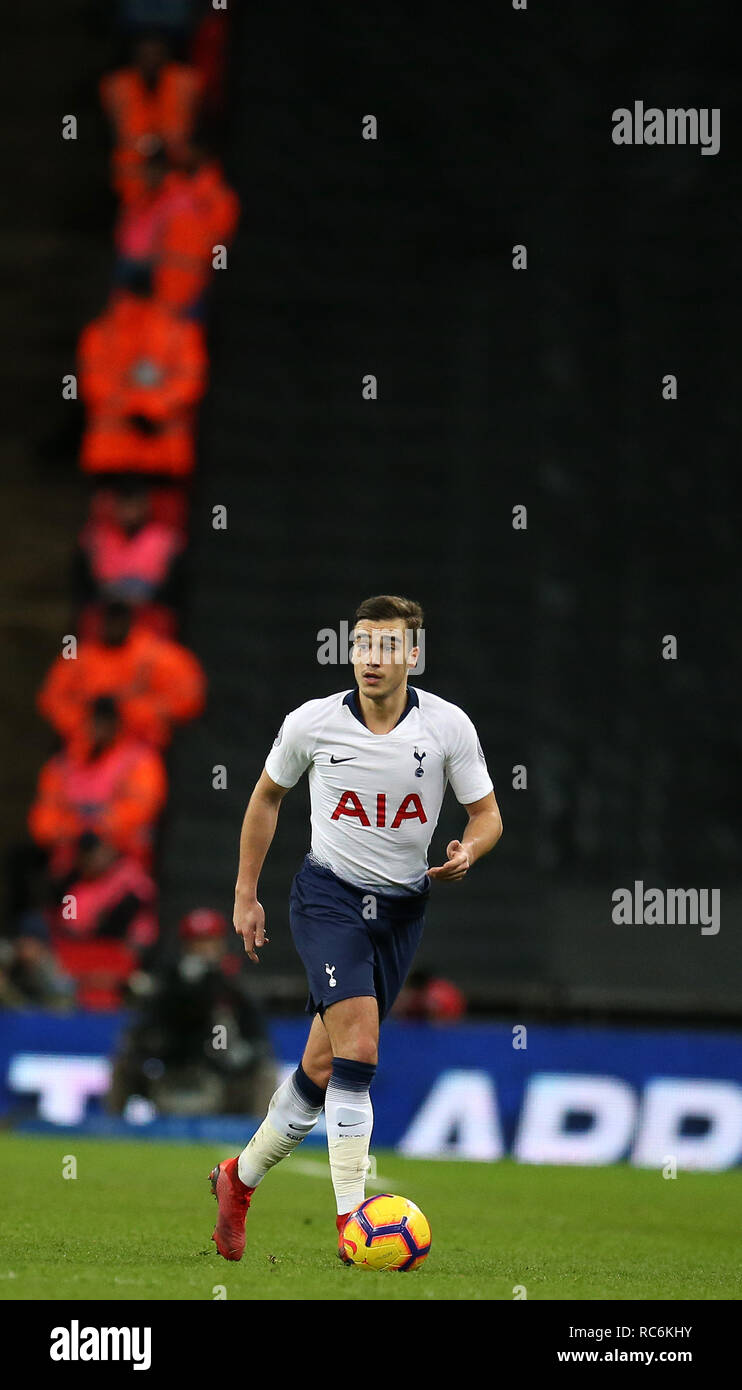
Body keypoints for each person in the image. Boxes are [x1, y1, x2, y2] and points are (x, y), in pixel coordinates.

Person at [210, 594, 503, 1260]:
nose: (372, 658)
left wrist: (469, 849)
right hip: (328, 901)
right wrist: (245, 894)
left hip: (400, 912)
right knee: (361, 1049)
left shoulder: (447, 728)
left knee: (321, 1066)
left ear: (413, 656)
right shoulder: (313, 724)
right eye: (362, 645)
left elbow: (488, 815)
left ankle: (238, 1179)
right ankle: (355, 1224)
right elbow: (266, 797)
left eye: (388, 647)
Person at [107, 908, 276, 1116]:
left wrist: (237, 1054)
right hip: (169, 1076)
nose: (202, 950)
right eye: (196, 943)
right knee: (122, 1065)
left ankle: (259, 1141)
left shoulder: (235, 992)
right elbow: (140, 1034)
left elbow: (259, 1043)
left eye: (209, 942)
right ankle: (111, 1130)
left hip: (219, 1081)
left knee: (265, 1073)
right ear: (184, 947)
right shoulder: (164, 986)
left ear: (221, 946)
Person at [77, 270, 208, 480]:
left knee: (111, 509)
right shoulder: (181, 331)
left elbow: (95, 383)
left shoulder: (100, 332)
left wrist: (134, 407)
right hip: (164, 451)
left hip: (112, 452)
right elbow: (189, 381)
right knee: (162, 510)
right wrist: (153, 407)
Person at [28, 695, 168, 877]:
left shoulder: (139, 760)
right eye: (96, 720)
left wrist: (101, 834)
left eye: (106, 721)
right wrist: (76, 833)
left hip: (122, 859)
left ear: (118, 723)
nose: (100, 727)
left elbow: (139, 811)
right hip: (69, 857)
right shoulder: (64, 763)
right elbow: (43, 822)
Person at [38, 599, 206, 749]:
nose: (114, 625)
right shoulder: (77, 658)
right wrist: (85, 724)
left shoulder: (155, 654)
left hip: (143, 744)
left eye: (119, 618)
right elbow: (51, 698)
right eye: (109, 618)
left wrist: (135, 714)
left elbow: (190, 695)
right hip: (86, 749)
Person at [100, 33, 202, 206]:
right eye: (145, 55)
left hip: (176, 161)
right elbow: (116, 135)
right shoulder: (117, 84)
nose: (151, 60)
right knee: (130, 174)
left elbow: (198, 130)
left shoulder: (186, 81)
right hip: (134, 164)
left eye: (156, 54)